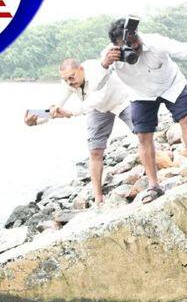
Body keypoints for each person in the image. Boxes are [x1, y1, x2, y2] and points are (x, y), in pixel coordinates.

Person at [100, 18, 187, 203]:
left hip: (172, 84)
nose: (136, 44)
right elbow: (97, 84)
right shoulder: (109, 56)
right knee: (143, 136)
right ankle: (154, 186)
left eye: (135, 38)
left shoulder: (155, 42)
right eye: (129, 44)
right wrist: (105, 65)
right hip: (141, 94)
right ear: (117, 46)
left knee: (186, 120)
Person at [24, 58, 131, 206]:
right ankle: (98, 199)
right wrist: (36, 121)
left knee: (143, 134)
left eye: (71, 77)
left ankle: (155, 179)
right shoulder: (69, 82)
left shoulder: (96, 71)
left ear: (81, 69)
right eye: (65, 79)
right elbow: (56, 106)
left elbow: (95, 99)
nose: (69, 82)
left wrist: (70, 113)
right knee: (95, 151)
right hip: (98, 109)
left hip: (120, 101)